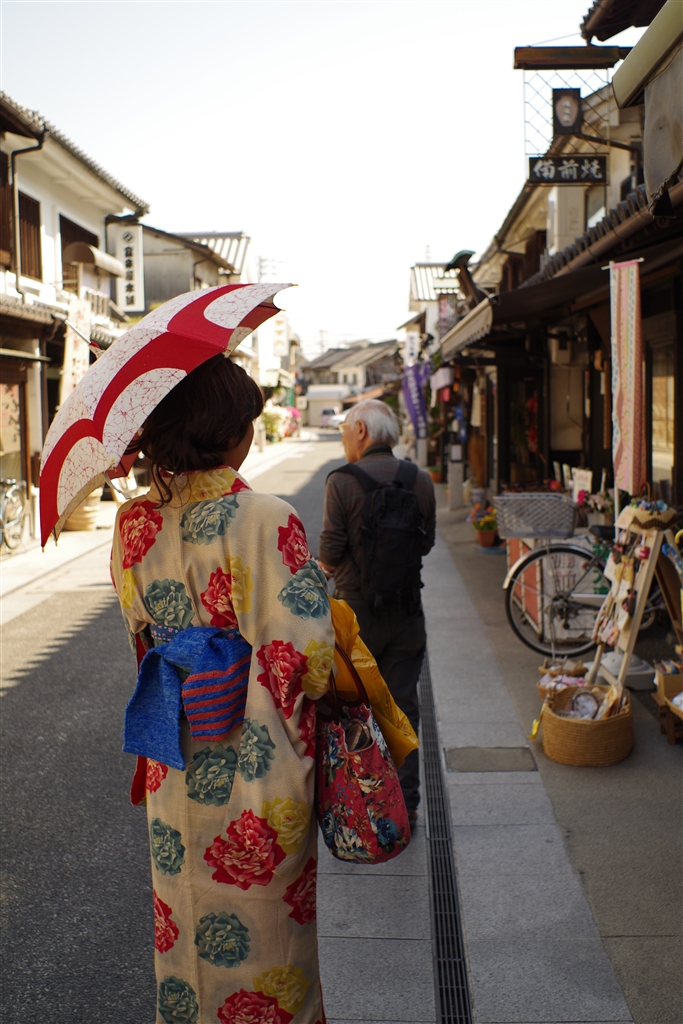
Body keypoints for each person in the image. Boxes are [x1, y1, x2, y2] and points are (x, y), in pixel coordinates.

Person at [110, 354, 333, 1024]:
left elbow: (141, 637)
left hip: (174, 752)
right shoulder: (264, 518)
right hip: (255, 763)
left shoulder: (132, 523)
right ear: (228, 428)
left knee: (184, 927)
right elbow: (308, 662)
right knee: (268, 944)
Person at [317, 399, 435, 825]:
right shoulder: (420, 480)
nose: (344, 438)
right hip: (407, 616)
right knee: (403, 707)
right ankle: (408, 806)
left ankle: (367, 811)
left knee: (354, 713)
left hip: (356, 621)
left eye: (345, 430)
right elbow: (425, 544)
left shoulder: (342, 481)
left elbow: (330, 551)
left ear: (362, 431)